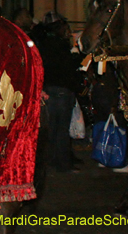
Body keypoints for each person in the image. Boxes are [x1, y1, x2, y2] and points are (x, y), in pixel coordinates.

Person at [31, 11, 82, 173]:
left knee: (51, 129)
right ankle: (63, 164)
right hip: (61, 91)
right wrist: (77, 57)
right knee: (61, 130)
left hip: (48, 90)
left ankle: (50, 162)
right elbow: (67, 68)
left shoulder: (42, 43)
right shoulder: (60, 45)